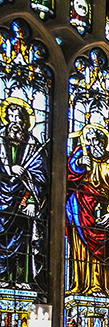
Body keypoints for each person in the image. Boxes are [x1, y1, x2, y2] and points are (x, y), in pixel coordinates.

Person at [65, 121, 109, 296]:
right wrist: (79, 164)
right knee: (80, 247)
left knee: (100, 249)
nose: (93, 145)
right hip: (80, 209)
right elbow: (69, 174)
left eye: (96, 140)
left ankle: (100, 286)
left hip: (100, 211)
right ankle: (80, 284)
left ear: (103, 142)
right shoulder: (82, 156)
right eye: (89, 141)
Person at [0, 96, 45, 287]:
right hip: (2, 200)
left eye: (18, 117)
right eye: (10, 116)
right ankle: (2, 279)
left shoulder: (33, 145)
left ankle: (22, 280)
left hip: (23, 201)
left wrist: (34, 201)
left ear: (25, 121)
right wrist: (9, 170)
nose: (14, 121)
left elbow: (41, 175)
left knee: (22, 240)